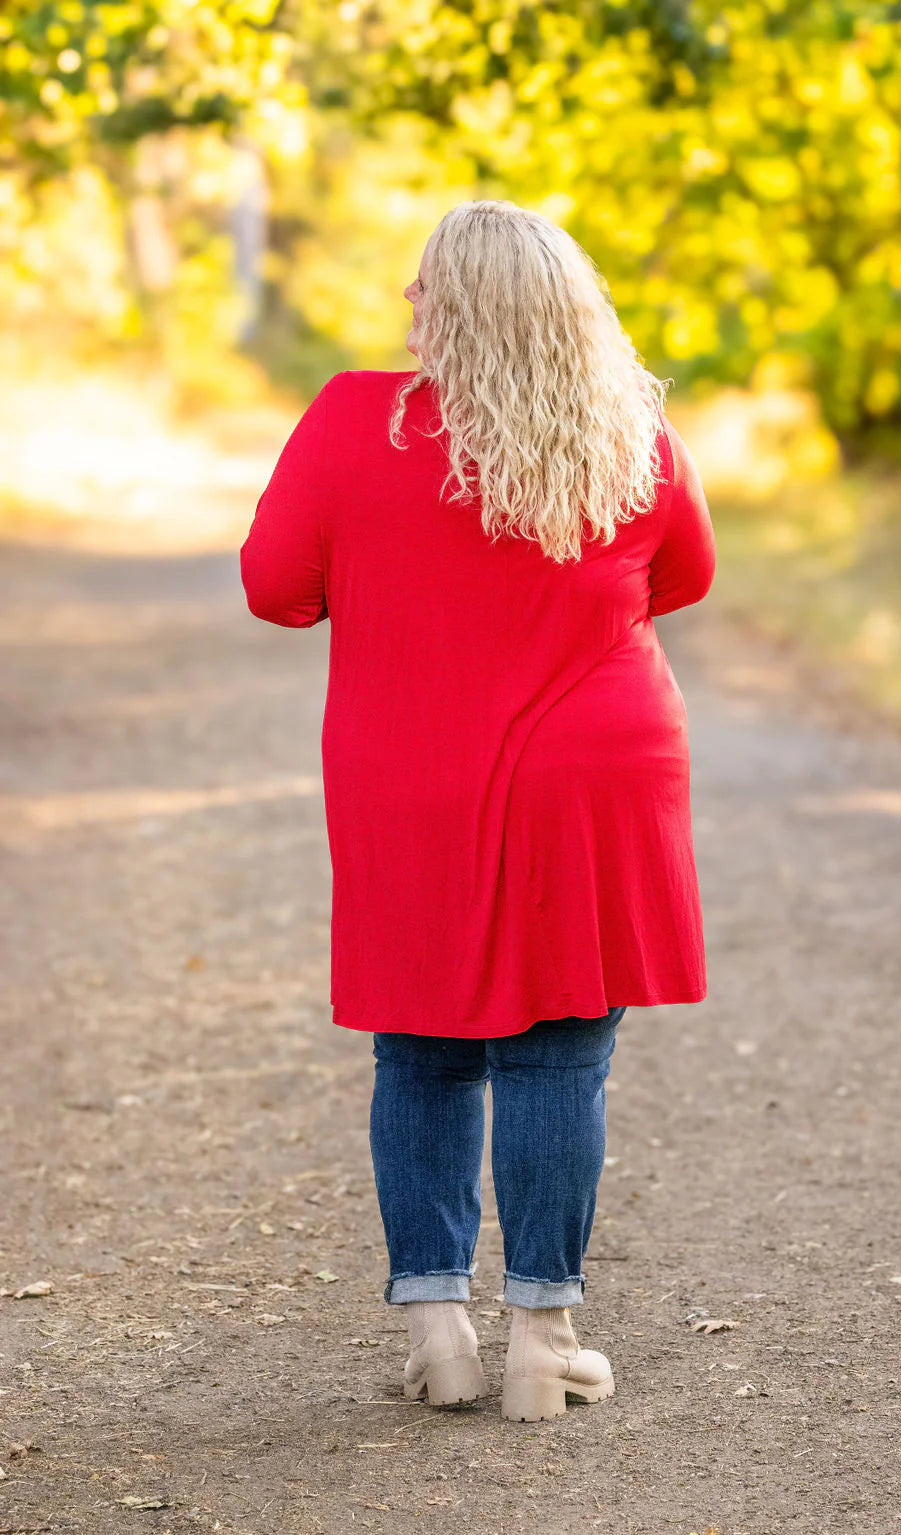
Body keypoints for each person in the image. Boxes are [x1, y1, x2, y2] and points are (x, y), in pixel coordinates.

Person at [240, 199, 715, 1422]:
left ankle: (440, 1329)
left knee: (424, 1044)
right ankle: (541, 1342)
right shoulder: (628, 428)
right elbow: (685, 575)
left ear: (451, 307)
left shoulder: (357, 418)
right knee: (561, 1047)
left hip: (414, 769)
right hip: (593, 771)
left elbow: (275, 589)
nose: (406, 305)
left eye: (422, 288)